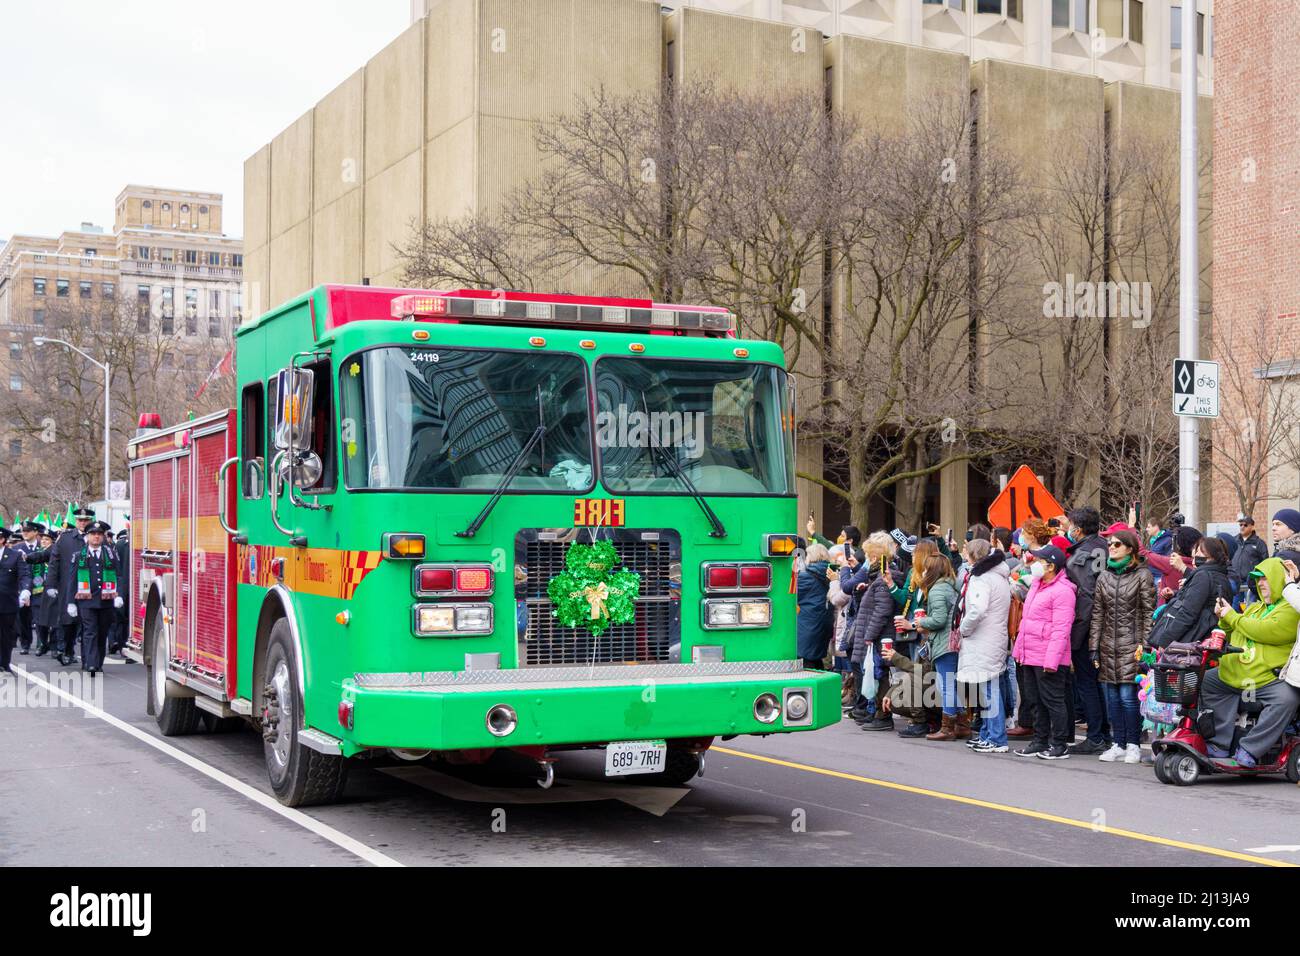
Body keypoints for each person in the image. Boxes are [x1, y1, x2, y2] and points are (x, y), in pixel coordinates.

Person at [1204, 558, 1300, 767]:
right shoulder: (1254, 608)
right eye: (1258, 579)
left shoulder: (1291, 609)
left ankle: (1250, 749)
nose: (1261, 583)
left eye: (1265, 578)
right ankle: (1219, 744)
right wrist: (1223, 617)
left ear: (1278, 578)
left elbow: (1264, 631)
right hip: (1236, 673)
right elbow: (1233, 628)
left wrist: (1233, 617)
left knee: (1287, 698)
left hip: (1265, 680)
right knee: (1205, 681)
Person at [1088, 529, 1156, 764]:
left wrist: (1145, 647)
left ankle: (1134, 745)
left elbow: (1149, 614)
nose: (1112, 547)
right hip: (1108, 644)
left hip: (1132, 644)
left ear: (1130, 549)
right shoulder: (1104, 577)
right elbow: (1098, 614)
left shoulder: (1143, 575)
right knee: (1112, 699)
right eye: (1110, 544)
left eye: (1117, 544)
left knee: (1129, 697)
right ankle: (1117, 743)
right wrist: (1093, 646)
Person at [1012, 544, 1078, 760]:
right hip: (1030, 653)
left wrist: (1052, 661)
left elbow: (1061, 630)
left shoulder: (1063, 591)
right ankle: (1040, 741)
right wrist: (1019, 651)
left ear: (1051, 566)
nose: (1035, 564)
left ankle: (1059, 744)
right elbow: (1027, 621)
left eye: (1040, 561)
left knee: (1053, 701)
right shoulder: (1037, 586)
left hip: (1049, 657)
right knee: (1034, 699)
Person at [956, 538, 1012, 753]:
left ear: (972, 556)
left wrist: (963, 628)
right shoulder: (999, 575)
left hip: (983, 638)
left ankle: (996, 738)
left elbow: (977, 610)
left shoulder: (982, 578)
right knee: (990, 687)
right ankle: (989, 734)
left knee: (989, 690)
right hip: (995, 636)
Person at [1063, 505, 1111, 755]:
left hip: (1088, 627)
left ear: (1078, 529)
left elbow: (1084, 597)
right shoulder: (1104, 547)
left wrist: (1076, 635)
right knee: (1100, 682)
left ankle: (1095, 736)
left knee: (1087, 683)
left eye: (1071, 525)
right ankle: (1104, 732)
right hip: (1107, 625)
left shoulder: (1082, 556)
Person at [898, 553, 962, 740]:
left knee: (946, 685)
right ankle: (960, 723)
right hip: (952, 640)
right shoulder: (951, 585)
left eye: (926, 568)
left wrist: (920, 621)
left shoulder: (936, 590)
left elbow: (939, 620)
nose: (923, 571)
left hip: (943, 642)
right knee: (950, 684)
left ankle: (948, 728)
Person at [839, 533, 898, 731]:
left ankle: (882, 716)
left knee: (879, 675)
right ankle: (875, 713)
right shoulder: (878, 578)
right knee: (875, 675)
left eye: (868, 554)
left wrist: (869, 635)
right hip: (876, 635)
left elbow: (881, 610)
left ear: (875, 556)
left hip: (878, 636)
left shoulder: (882, 579)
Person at [1147, 535, 1234, 649]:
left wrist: (1165, 641)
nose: (1195, 555)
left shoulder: (1203, 575)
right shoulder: (1221, 576)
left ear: (1211, 555)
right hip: (1208, 640)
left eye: (1199, 551)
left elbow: (1188, 613)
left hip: (1193, 641)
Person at [1008, 518, 1052, 738]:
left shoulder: (1045, 557)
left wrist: (1017, 583)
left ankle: (1038, 726)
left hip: (1038, 625)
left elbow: (1036, 586)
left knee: (1035, 681)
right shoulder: (1025, 559)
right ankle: (1027, 720)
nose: (1021, 539)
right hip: (1023, 624)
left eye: (1024, 534)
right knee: (1023, 677)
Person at [67, 520, 124, 675]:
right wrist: (70, 602)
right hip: (86, 600)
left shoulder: (110, 554)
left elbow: (119, 575)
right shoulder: (79, 556)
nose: (96, 537)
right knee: (90, 631)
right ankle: (91, 663)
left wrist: (119, 594)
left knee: (102, 632)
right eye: (93, 534)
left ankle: (97, 662)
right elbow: (72, 580)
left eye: (99, 534)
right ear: (87, 536)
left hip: (106, 600)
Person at [46, 505, 94, 666]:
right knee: (68, 622)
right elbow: (54, 563)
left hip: (90, 587)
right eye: (80, 520)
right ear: (76, 521)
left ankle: (88, 659)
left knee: (88, 624)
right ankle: (66, 650)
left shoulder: (95, 537)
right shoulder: (65, 538)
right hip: (68, 586)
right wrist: (51, 584)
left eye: (86, 520)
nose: (83, 523)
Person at [0, 527, 34, 675]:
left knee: (6, 635)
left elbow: (25, 575)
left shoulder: (15, 556)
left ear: (2, 539)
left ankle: (4, 663)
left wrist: (26, 590)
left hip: (7, 602)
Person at [796, 543, 835, 670]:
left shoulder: (805, 577)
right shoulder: (831, 573)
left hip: (808, 626)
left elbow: (789, 596)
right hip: (823, 624)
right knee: (816, 660)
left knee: (805, 664)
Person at [26, 528, 58, 657]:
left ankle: (55, 646)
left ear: (53, 541)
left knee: (55, 620)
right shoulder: (36, 554)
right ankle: (42, 644)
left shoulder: (55, 553)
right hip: (38, 591)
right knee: (39, 621)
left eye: (47, 539)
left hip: (52, 591)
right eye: (42, 539)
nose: (44, 541)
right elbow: (29, 573)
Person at [1234, 515, 1268, 605]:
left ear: (1252, 527)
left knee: (1250, 607)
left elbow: (1265, 562)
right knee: (1234, 607)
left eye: (1245, 525)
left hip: (1251, 582)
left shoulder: (1259, 543)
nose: (1242, 527)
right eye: (1240, 525)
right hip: (1236, 580)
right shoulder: (1235, 541)